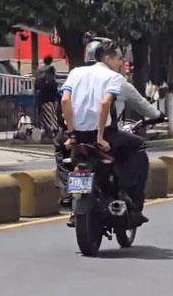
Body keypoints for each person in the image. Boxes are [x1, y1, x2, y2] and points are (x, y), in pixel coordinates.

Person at [59, 39, 150, 227]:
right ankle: (134, 203)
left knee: (61, 153)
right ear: (107, 58)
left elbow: (65, 100)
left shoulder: (75, 72)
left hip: (77, 135)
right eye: (119, 59)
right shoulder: (114, 77)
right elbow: (105, 103)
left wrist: (72, 134)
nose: (122, 63)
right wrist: (100, 136)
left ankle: (69, 195)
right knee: (139, 146)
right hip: (103, 135)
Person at [35, 55, 60, 141]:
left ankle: (46, 131)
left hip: (40, 96)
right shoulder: (50, 69)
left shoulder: (39, 69)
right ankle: (53, 130)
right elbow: (52, 82)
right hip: (49, 96)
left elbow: (36, 83)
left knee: (42, 115)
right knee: (52, 114)